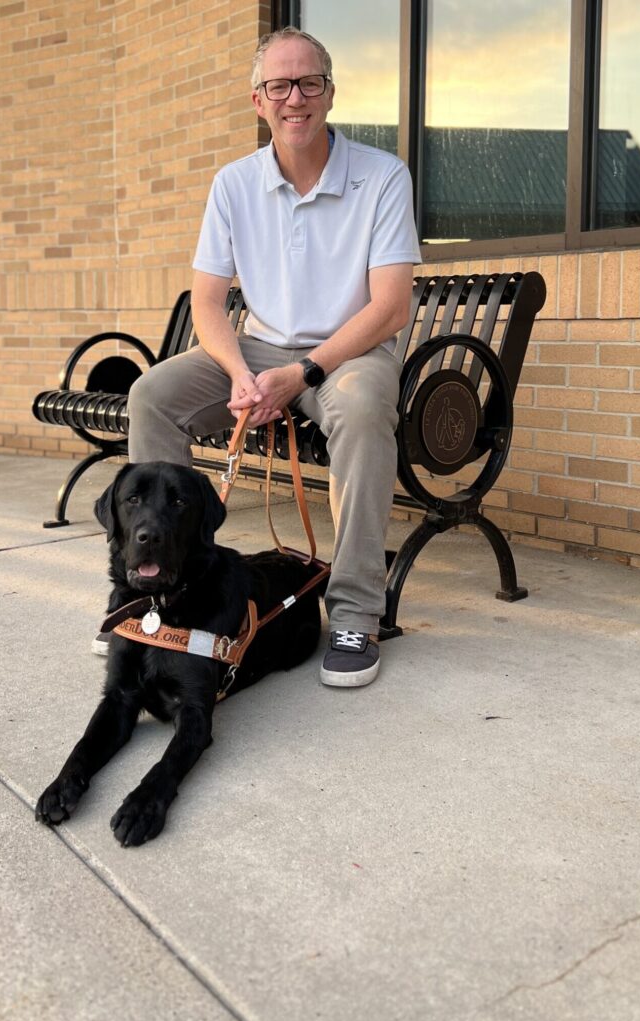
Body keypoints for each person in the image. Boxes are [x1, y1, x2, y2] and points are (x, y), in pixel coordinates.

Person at [124, 26, 421, 687]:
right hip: (255, 346)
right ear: (257, 101)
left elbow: (390, 308)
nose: (295, 98)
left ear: (330, 93)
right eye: (278, 85)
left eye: (308, 82)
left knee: (367, 406)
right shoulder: (233, 185)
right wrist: (238, 373)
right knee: (151, 397)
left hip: (348, 350)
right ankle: (162, 594)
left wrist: (302, 373)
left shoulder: (382, 177)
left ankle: (352, 612)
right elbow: (207, 303)